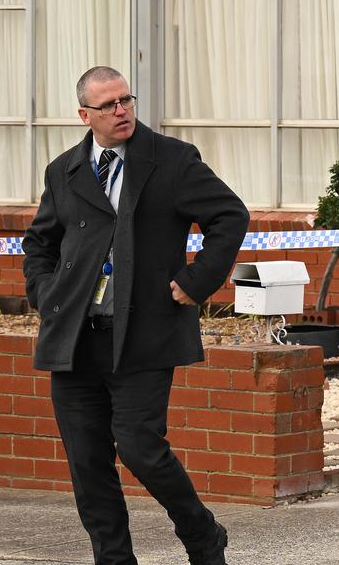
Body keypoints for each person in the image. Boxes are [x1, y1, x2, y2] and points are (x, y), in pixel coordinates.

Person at [23, 66, 249, 565]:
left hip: (143, 334)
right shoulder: (63, 170)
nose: (121, 110)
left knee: (141, 449)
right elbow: (40, 241)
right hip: (75, 340)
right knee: (87, 463)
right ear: (84, 115)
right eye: (107, 105)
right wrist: (45, 292)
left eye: (126, 99)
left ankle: (201, 533)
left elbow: (229, 215)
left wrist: (196, 282)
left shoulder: (171, 159)